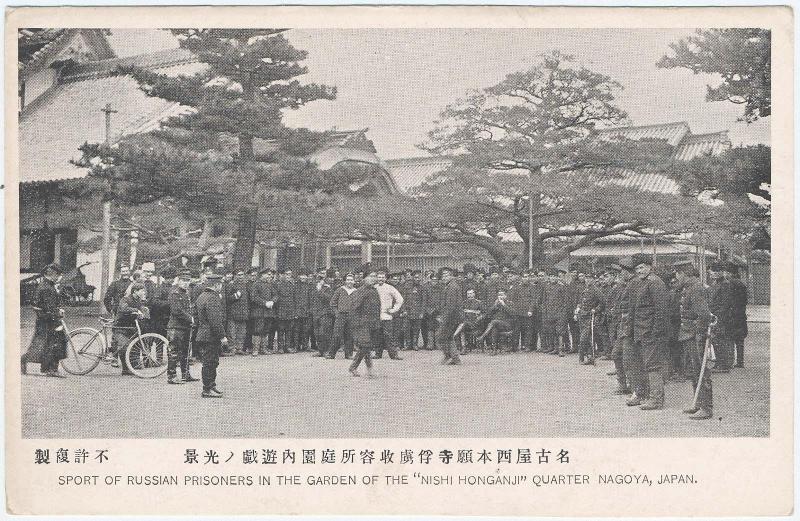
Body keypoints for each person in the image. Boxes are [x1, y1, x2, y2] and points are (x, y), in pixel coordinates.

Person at [628, 255, 670, 411]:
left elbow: (661, 311)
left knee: (653, 366)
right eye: (637, 268)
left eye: (642, 267)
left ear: (649, 267)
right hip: (640, 331)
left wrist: (656, 332)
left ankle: (656, 400)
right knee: (642, 364)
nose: (639, 271)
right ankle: (644, 395)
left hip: (651, 332)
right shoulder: (640, 283)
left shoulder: (655, 283)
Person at [673, 260, 714, 420]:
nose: (676, 277)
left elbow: (703, 315)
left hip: (696, 336)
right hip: (689, 334)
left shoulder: (696, 288)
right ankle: (697, 403)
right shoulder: (690, 287)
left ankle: (706, 407)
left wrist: (699, 334)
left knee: (702, 372)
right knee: (694, 371)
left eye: (677, 273)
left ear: (684, 273)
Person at [22, 262, 67, 377]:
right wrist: (58, 313)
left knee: (42, 344)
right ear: (53, 274)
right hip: (49, 320)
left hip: (44, 320)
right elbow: (49, 307)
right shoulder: (47, 288)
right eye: (58, 275)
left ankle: (27, 361)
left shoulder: (46, 285)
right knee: (53, 344)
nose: (59, 277)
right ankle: (51, 369)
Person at [194, 273, 228, 398]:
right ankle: (207, 388)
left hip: (203, 333)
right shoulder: (213, 298)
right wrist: (222, 336)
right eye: (220, 285)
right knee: (210, 362)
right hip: (211, 336)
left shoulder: (202, 296)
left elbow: (196, 317)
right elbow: (215, 321)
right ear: (217, 285)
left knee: (210, 361)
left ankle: (211, 386)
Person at [166, 270, 198, 384]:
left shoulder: (186, 293)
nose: (186, 283)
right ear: (178, 281)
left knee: (185, 352)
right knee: (173, 352)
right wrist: (191, 319)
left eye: (188, 281)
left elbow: (189, 308)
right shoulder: (174, 293)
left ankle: (185, 374)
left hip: (185, 327)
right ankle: (172, 376)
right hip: (175, 327)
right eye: (183, 280)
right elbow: (177, 311)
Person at [348, 270, 381, 377]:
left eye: (375, 276)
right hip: (362, 323)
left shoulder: (374, 290)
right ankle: (364, 368)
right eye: (371, 276)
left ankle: (358, 368)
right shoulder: (361, 291)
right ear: (365, 278)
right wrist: (356, 322)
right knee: (365, 345)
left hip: (372, 323)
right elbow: (354, 307)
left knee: (366, 346)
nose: (374, 278)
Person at [113, 282, 149, 376]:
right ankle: (125, 369)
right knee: (124, 346)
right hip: (120, 327)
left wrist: (143, 312)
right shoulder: (125, 299)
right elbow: (123, 308)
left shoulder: (138, 301)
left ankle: (133, 365)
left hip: (130, 327)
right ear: (135, 291)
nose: (144, 293)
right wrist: (136, 311)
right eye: (142, 291)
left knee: (135, 345)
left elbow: (141, 308)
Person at [707, 261, 735, 373]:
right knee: (717, 340)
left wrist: (718, 317)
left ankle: (723, 365)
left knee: (721, 340)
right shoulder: (718, 284)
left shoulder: (725, 285)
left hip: (721, 318)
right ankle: (720, 362)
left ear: (719, 272)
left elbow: (725, 304)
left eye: (713, 271)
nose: (711, 274)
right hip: (717, 316)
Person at [576, 272, 607, 366]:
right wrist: (578, 307)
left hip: (590, 316)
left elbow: (603, 302)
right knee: (587, 338)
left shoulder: (596, 290)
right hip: (582, 316)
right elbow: (581, 300)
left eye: (590, 278)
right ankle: (590, 357)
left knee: (583, 338)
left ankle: (581, 357)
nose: (588, 280)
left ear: (593, 279)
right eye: (586, 278)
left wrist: (596, 310)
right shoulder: (585, 289)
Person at [374, 269, 404, 360]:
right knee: (377, 335)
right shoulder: (374, 287)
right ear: (376, 278)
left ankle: (393, 355)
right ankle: (377, 354)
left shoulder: (390, 288)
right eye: (379, 277)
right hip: (376, 316)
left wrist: (393, 310)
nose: (381, 279)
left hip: (387, 316)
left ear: (386, 278)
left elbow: (400, 299)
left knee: (389, 336)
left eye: (383, 277)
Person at [436, 267, 464, 365]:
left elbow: (451, 306)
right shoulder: (449, 286)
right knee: (447, 337)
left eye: (447, 275)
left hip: (452, 317)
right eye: (443, 275)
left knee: (441, 336)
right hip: (452, 316)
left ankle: (450, 356)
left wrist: (444, 318)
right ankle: (454, 358)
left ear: (451, 276)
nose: (444, 277)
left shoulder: (452, 287)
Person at [726, 262, 749, 368]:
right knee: (740, 340)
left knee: (730, 337)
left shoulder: (730, 283)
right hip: (741, 313)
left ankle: (730, 361)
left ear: (730, 273)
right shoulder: (742, 283)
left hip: (733, 314)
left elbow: (729, 300)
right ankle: (740, 361)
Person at [329, 273, 357, 359]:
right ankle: (331, 354)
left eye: (351, 280)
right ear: (345, 281)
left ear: (354, 281)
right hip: (341, 315)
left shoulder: (356, 291)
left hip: (351, 316)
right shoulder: (340, 290)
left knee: (350, 335)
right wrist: (337, 313)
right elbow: (332, 303)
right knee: (336, 335)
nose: (349, 282)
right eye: (348, 280)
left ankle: (348, 354)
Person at [250, 269, 277, 355]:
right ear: (262, 275)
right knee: (257, 330)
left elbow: (276, 295)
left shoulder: (270, 284)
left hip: (269, 312)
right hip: (259, 311)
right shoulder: (256, 284)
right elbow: (253, 297)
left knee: (266, 330)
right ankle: (255, 349)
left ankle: (263, 348)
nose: (270, 276)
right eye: (268, 274)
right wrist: (265, 303)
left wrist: (273, 301)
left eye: (270, 275)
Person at [310, 271, 335, 357]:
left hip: (325, 312)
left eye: (322, 278)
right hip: (316, 312)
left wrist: (320, 290)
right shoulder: (315, 287)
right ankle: (321, 350)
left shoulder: (329, 287)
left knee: (325, 332)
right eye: (319, 278)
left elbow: (329, 298)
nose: (320, 280)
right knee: (317, 332)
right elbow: (311, 298)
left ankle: (327, 350)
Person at [226, 270, 250, 355]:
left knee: (241, 332)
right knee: (232, 332)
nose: (241, 277)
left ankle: (239, 348)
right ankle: (232, 348)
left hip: (243, 312)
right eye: (239, 275)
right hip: (233, 312)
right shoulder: (231, 285)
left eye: (242, 275)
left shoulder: (245, 285)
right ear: (234, 276)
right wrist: (236, 296)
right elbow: (227, 298)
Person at [402, 271, 425, 350]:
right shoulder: (406, 287)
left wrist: (422, 312)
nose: (417, 279)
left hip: (417, 312)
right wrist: (404, 310)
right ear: (412, 278)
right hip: (408, 312)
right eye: (416, 277)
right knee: (407, 329)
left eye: (419, 277)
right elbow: (403, 299)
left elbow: (423, 301)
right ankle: (408, 345)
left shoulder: (422, 288)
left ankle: (415, 344)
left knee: (416, 329)